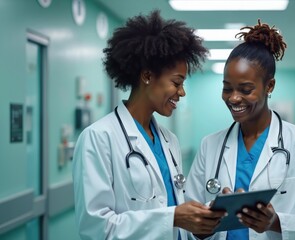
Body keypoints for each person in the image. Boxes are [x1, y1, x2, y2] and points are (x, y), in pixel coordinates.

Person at [72, 10, 225, 240]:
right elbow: (96, 229)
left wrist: (200, 222)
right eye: (176, 82)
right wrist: (173, 217)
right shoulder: (98, 137)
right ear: (146, 75)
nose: (181, 92)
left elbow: (174, 213)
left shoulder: (169, 140)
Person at [185, 19, 295, 239]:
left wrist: (276, 222)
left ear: (269, 86)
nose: (234, 98)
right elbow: (188, 218)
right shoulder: (210, 145)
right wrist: (203, 225)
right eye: (227, 88)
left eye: (246, 89)